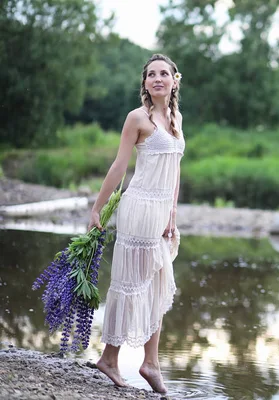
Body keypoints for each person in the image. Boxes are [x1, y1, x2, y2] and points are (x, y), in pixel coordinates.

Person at [87, 53, 185, 394]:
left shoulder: (175, 117)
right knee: (131, 284)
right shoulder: (137, 118)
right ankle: (110, 359)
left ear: (175, 80)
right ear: (145, 83)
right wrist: (98, 208)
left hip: (161, 214)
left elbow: (175, 171)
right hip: (139, 208)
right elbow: (119, 166)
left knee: (158, 286)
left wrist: (172, 214)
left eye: (164, 73)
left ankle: (150, 363)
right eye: (151, 74)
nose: (158, 78)